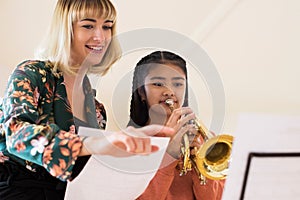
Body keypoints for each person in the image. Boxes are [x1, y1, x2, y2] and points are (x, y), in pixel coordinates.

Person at [0, 1, 174, 200]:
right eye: (88, 25)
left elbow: (86, 173)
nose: (100, 37)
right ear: (66, 29)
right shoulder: (32, 73)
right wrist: (97, 143)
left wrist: (133, 147)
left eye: (107, 27)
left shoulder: (98, 110)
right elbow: (16, 134)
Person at [128, 50, 225, 200]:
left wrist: (201, 168)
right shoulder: (128, 143)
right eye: (158, 84)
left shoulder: (204, 139)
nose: (169, 91)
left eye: (178, 84)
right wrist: (170, 155)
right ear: (141, 92)